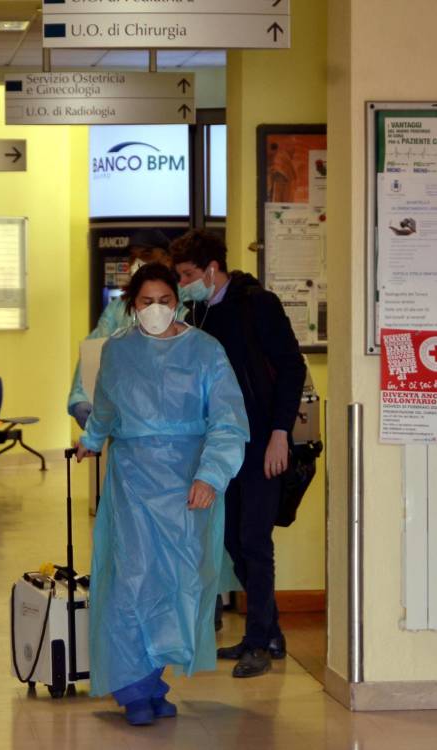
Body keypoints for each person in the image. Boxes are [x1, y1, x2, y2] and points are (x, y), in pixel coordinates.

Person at [74, 263, 249, 726]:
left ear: (179, 300)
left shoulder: (206, 350)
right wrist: (92, 440)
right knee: (132, 580)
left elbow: (228, 420)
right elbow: (107, 405)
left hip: (189, 482)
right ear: (132, 305)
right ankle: (134, 688)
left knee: (177, 583)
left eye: (165, 300)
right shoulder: (118, 349)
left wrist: (211, 475)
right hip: (132, 481)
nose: (156, 310)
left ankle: (153, 679)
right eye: (146, 301)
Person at [172, 229, 307, 679]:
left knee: (254, 540)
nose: (184, 283)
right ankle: (268, 630)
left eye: (189, 274)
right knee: (230, 540)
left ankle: (258, 643)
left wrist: (279, 433)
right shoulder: (197, 314)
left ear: (213, 269)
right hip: (221, 445)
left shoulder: (256, 304)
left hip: (261, 442)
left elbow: (292, 366)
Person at [67, 230, 183, 429]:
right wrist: (80, 397)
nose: (137, 262)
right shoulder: (119, 308)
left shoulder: (182, 305)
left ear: (167, 259)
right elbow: (95, 348)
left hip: (171, 421)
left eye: (145, 255)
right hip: (123, 419)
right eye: (132, 256)